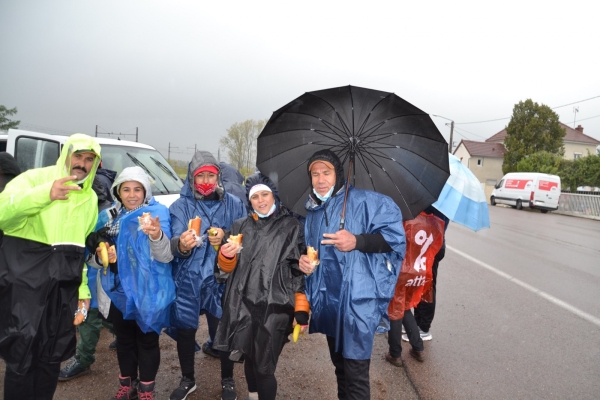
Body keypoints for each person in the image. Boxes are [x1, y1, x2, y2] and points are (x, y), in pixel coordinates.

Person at [298, 149, 406, 400]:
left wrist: (357, 241)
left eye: (326, 172)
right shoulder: (313, 211)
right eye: (315, 174)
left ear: (338, 174)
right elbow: (312, 250)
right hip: (330, 301)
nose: (320, 179)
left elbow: (394, 240)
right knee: (340, 369)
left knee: (356, 374)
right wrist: (304, 261)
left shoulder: (369, 202)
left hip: (358, 301)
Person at [0, 134, 101, 400]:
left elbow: (78, 252)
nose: (82, 163)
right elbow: (2, 214)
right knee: (22, 360)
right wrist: (45, 194)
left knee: (50, 360)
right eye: (77, 156)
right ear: (65, 154)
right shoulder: (34, 179)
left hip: (62, 294)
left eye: (89, 159)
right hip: (25, 292)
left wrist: (83, 292)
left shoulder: (90, 198)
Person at [213, 173, 308, 400]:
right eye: (255, 196)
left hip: (275, 307)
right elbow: (224, 272)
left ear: (274, 195)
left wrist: (301, 308)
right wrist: (225, 257)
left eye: (265, 194)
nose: (261, 200)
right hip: (243, 305)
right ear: (249, 200)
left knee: (265, 367)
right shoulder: (239, 226)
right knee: (250, 357)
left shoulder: (291, 227)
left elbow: (298, 271)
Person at [85, 166, 175, 399]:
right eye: (126, 189)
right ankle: (127, 384)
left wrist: (156, 235)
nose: (132, 194)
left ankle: (146, 388)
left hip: (149, 291)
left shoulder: (157, 214)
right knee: (124, 340)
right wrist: (102, 257)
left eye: (138, 189)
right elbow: (93, 260)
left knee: (147, 339)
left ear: (146, 192)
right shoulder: (107, 217)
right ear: (118, 192)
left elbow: (165, 256)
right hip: (118, 292)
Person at [168, 151, 246, 400]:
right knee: (185, 328)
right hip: (188, 276)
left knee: (223, 328)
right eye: (200, 175)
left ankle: (228, 380)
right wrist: (182, 244)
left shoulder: (233, 203)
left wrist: (225, 235)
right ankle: (188, 379)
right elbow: (173, 241)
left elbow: (244, 234)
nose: (205, 181)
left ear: (218, 176)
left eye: (210, 175)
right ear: (191, 177)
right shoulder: (180, 205)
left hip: (221, 276)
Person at [59, 168, 117, 381]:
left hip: (92, 272)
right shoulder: (98, 206)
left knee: (89, 313)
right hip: (83, 269)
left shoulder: (100, 213)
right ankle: (123, 333)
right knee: (102, 312)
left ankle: (83, 359)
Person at [385, 211, 445, 367]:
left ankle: (395, 354)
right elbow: (440, 252)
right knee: (404, 308)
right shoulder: (435, 222)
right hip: (420, 271)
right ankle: (418, 348)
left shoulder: (404, 220)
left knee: (395, 310)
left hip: (402, 271)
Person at [408, 206, 449, 342]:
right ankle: (416, 322)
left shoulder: (440, 198)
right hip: (427, 239)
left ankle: (424, 328)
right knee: (419, 281)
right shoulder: (441, 194)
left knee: (427, 286)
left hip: (430, 241)